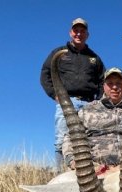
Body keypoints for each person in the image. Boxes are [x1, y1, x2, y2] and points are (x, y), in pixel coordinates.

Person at [40, 18, 105, 173]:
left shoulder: (94, 58)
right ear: (70, 32)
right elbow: (45, 74)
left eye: (82, 31)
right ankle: (61, 175)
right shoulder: (59, 53)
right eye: (76, 30)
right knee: (61, 140)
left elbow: (103, 80)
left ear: (87, 34)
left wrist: (99, 102)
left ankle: (88, 176)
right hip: (67, 103)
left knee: (89, 140)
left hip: (90, 105)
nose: (79, 34)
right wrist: (54, 95)